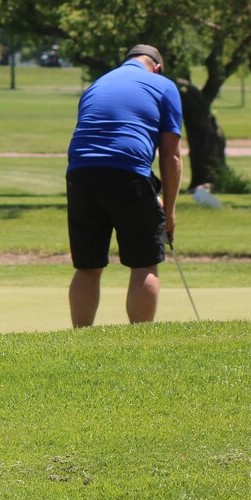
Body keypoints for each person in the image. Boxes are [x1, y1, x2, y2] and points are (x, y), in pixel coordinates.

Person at [66, 44, 183, 326]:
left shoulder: (96, 84)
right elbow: (171, 155)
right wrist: (169, 212)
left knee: (88, 265)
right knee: (144, 264)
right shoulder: (163, 85)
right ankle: (139, 339)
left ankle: (81, 338)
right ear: (157, 66)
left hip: (81, 175)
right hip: (128, 173)